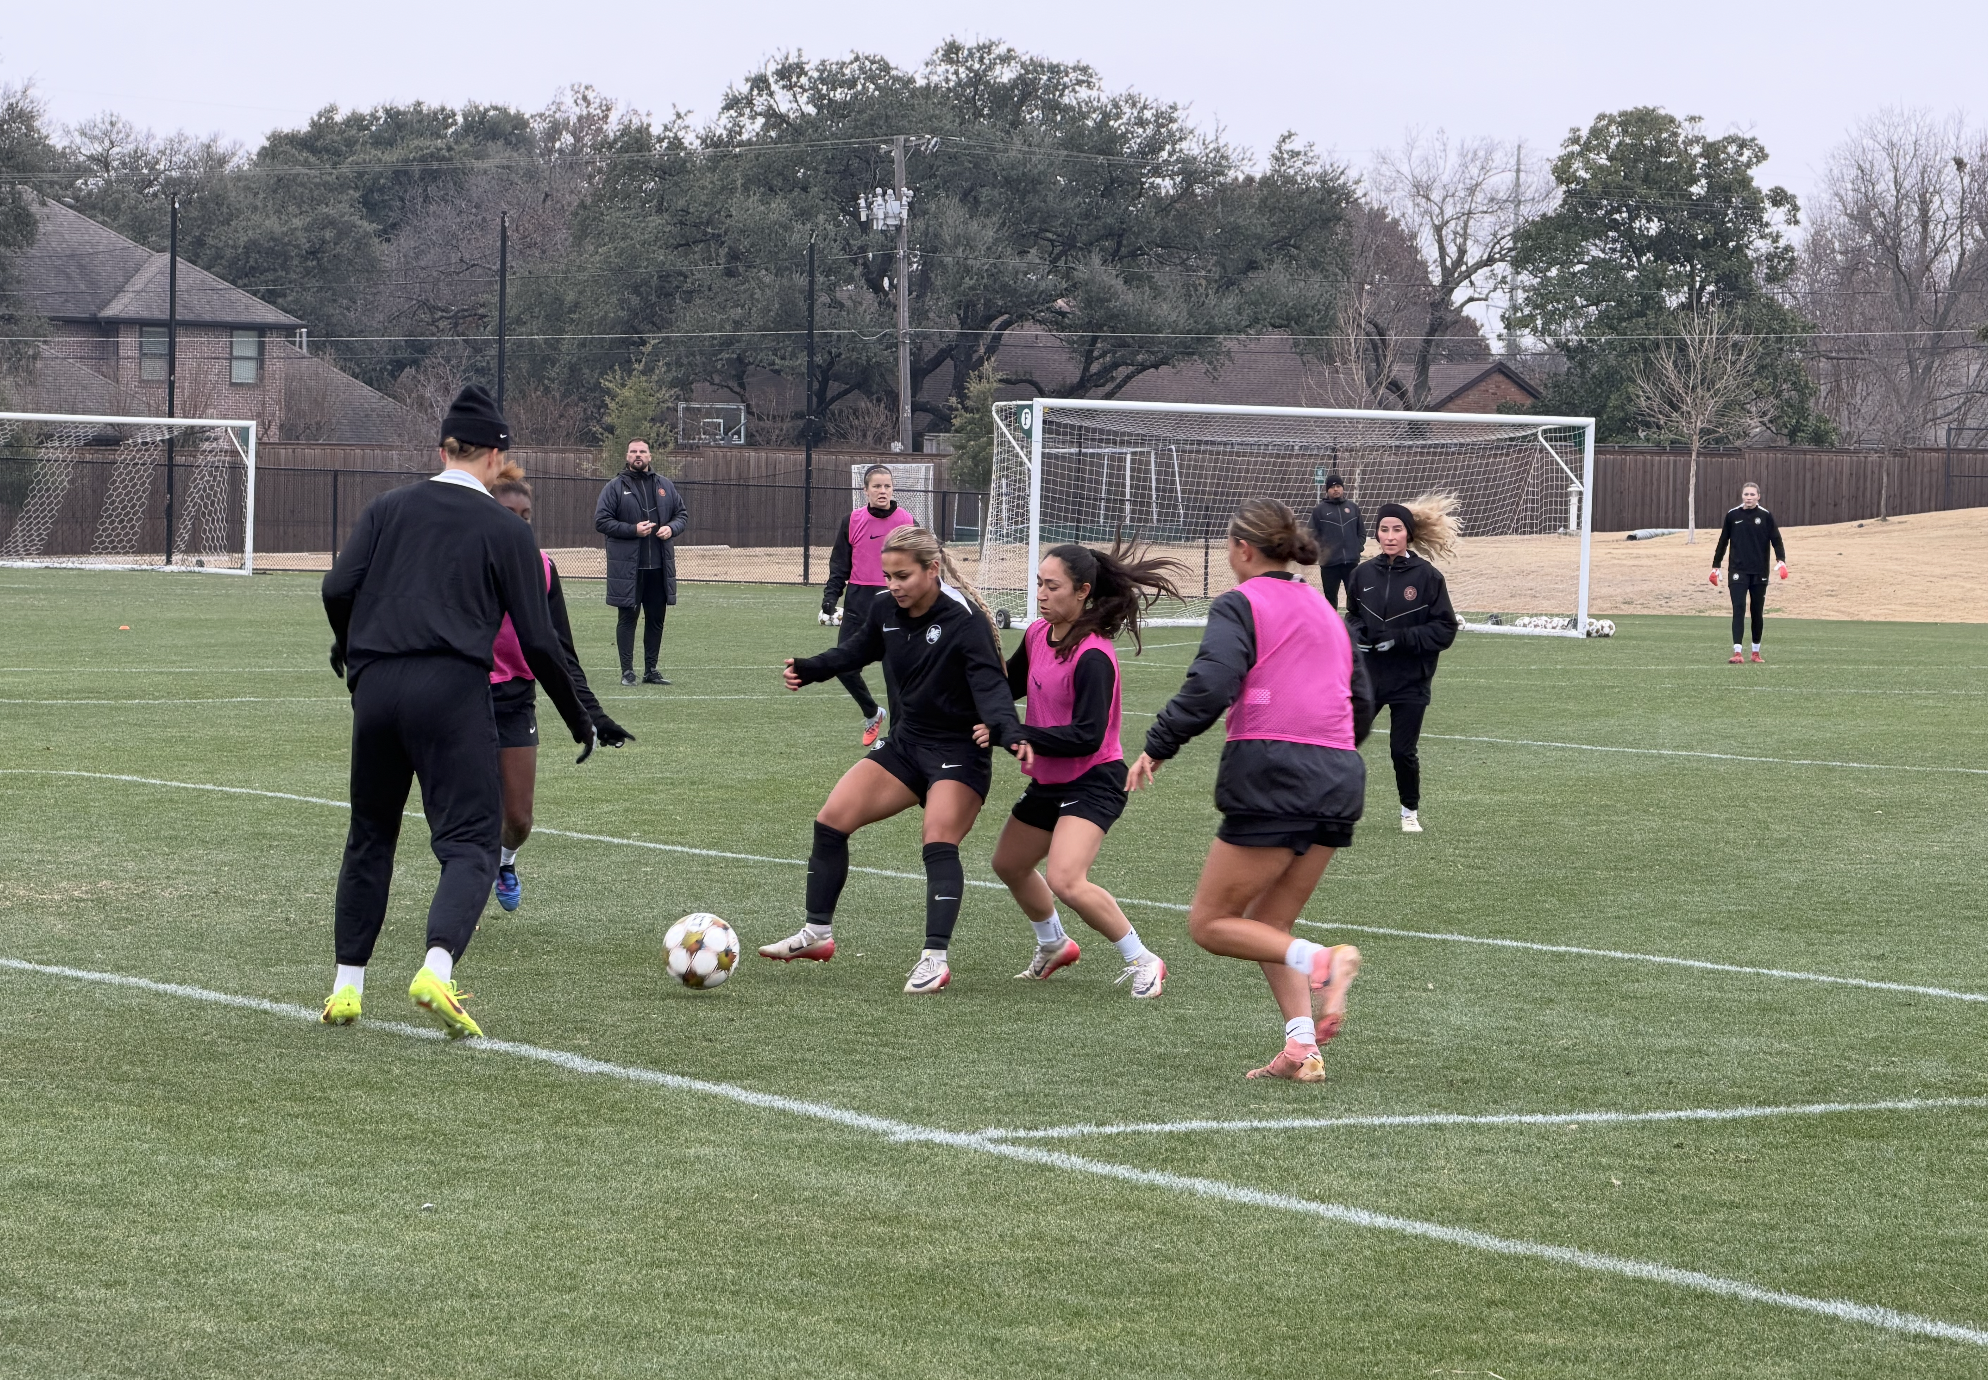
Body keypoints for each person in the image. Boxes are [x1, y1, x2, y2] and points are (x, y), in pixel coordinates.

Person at [320, 385, 596, 1040]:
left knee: (370, 836)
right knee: (472, 841)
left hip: (379, 686)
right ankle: (436, 969)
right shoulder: (505, 527)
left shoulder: (389, 507)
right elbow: (537, 640)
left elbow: (337, 587)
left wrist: (354, 652)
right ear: (498, 457)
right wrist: (577, 713)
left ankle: (346, 987)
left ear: (440, 448)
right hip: (451, 689)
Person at [1126, 499, 1372, 1081]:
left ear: (1242, 549)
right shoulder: (1324, 608)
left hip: (1273, 774)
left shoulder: (1241, 603)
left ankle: (1326, 961)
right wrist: (1327, 749)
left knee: (1210, 924)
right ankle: (1300, 1046)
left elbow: (1211, 683)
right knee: (1270, 928)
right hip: (1338, 776)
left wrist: (1158, 744)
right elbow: (1360, 698)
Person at [760, 526, 1025, 993]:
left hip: (958, 753)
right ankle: (817, 934)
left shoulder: (965, 620)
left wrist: (1008, 732)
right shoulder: (885, 609)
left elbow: (992, 687)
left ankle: (934, 959)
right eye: (887, 576)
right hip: (906, 745)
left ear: (932, 570)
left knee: (938, 840)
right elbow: (856, 651)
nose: (894, 586)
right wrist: (810, 668)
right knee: (831, 820)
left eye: (903, 576)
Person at [987, 541, 1185, 998]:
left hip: (1094, 780)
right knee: (1009, 863)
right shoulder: (1038, 634)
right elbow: (1007, 686)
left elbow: (1087, 736)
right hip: (1050, 779)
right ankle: (1054, 944)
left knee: (1065, 878)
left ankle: (1144, 959)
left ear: (1082, 592)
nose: (1040, 593)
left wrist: (1021, 735)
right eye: (1039, 583)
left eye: (1052, 586)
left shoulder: (1093, 656)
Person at [487, 465, 634, 912]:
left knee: (518, 819)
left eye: (525, 515)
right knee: (465, 819)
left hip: (515, 702)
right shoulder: (461, 562)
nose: (518, 522)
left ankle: (504, 862)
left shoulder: (544, 570)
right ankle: (462, 890)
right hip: (459, 700)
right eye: (507, 512)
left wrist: (594, 716)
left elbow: (561, 654)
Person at [1345, 494, 1461, 834]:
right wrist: (1357, 632)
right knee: (1345, 743)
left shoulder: (1428, 577)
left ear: (1408, 534)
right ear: (1376, 535)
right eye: (1384, 529)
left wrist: (1403, 639)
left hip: (1411, 680)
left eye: (1397, 529)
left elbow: (1445, 629)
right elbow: (1351, 614)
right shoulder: (1362, 574)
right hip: (1369, 679)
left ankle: (1409, 811)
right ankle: (1335, 805)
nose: (1390, 535)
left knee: (1402, 751)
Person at [819, 463, 916, 746]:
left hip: (895, 605)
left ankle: (896, 740)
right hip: (858, 603)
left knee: (895, 677)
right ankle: (872, 713)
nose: (883, 491)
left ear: (892, 489)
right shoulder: (852, 520)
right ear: (866, 490)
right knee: (843, 666)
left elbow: (921, 565)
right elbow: (840, 564)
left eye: (887, 486)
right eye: (877, 486)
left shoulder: (906, 522)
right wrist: (830, 595)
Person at [594, 439, 690, 686]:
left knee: (656, 619)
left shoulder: (665, 486)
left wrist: (671, 528)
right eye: (634, 452)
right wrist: (632, 530)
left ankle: (651, 670)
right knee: (628, 618)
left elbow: (682, 515)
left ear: (650, 456)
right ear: (627, 456)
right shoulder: (615, 487)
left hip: (658, 568)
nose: (638, 455)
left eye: (642, 452)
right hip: (628, 569)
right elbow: (602, 521)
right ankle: (627, 672)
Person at [1710, 481, 1788, 664]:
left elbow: (1776, 539)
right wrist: (1716, 565)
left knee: (1756, 610)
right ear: (1742, 496)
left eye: (1752, 494)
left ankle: (1755, 652)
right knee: (1738, 608)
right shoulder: (1732, 515)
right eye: (1746, 494)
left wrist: (1781, 560)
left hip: (1759, 570)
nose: (1749, 497)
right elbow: (1723, 542)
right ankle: (1737, 652)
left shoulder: (1766, 516)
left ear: (1758, 497)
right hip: (1738, 570)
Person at [1308, 472, 1365, 610]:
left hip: (1351, 563)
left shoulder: (1353, 508)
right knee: (1330, 601)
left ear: (1343, 488)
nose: (1336, 489)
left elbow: (1362, 532)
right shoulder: (1319, 510)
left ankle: (1354, 627)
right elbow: (1311, 534)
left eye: (1338, 486)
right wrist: (1322, 552)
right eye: (1332, 487)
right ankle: (1331, 629)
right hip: (1329, 564)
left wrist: (1357, 547)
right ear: (1327, 490)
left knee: (1354, 598)